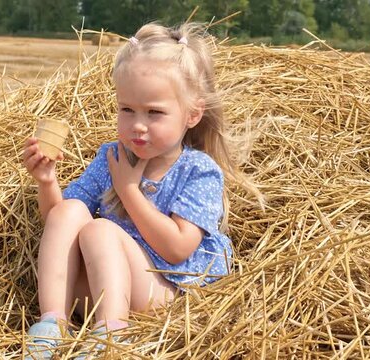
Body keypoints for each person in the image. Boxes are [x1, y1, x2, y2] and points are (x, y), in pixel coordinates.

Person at [21, 22, 262, 359]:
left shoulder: (199, 171)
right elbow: (58, 224)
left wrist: (129, 191)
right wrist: (46, 182)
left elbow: (178, 248)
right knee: (71, 211)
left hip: (163, 290)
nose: (137, 124)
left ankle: (110, 339)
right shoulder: (112, 157)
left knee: (100, 231)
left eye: (154, 113)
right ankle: (53, 323)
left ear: (192, 115)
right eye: (127, 109)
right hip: (106, 286)